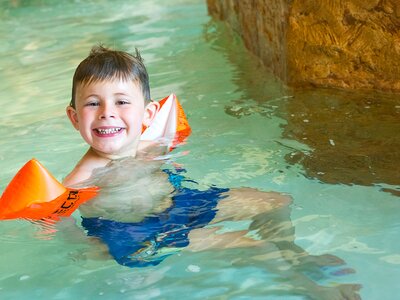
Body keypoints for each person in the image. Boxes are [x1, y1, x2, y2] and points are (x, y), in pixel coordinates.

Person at [63, 45, 360, 299]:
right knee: (256, 247)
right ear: (75, 117)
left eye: (122, 101)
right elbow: (54, 217)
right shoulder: (81, 178)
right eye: (93, 103)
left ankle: (295, 254)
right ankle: (306, 287)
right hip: (145, 234)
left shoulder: (146, 147)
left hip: (181, 204)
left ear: (148, 114)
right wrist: (90, 246)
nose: (107, 112)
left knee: (276, 201)